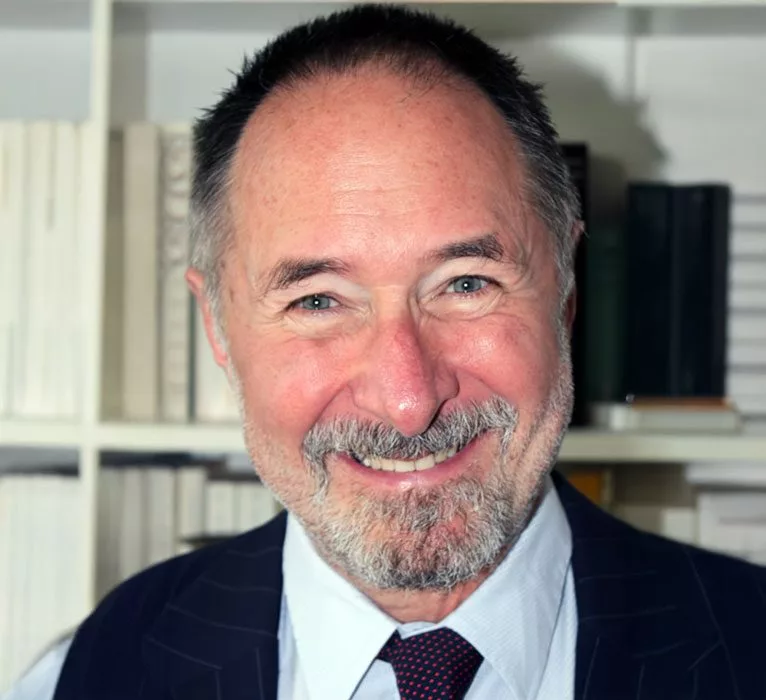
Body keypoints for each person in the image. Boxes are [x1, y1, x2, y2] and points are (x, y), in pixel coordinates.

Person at [6, 5, 766, 699]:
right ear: (218, 328)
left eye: (466, 284)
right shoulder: (87, 675)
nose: (407, 401)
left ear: (564, 294)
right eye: (317, 300)